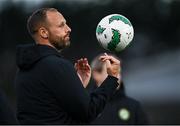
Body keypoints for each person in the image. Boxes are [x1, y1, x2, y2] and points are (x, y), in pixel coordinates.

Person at [14, 8, 121, 124]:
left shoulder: (23, 70)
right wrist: (112, 78)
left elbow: (49, 110)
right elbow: (88, 112)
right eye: (61, 25)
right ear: (44, 33)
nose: (68, 29)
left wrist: (77, 85)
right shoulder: (57, 65)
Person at [87, 53, 149, 124]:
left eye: (118, 72)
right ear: (96, 74)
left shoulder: (134, 106)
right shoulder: (87, 105)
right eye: (111, 71)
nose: (117, 76)